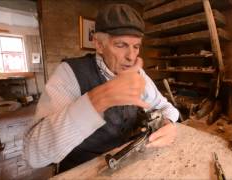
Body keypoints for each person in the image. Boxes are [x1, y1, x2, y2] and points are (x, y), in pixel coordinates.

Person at [23, 3, 179, 172]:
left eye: (136, 46)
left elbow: (167, 108)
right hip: (82, 171)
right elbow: (33, 155)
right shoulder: (69, 73)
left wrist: (169, 123)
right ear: (98, 44)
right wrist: (99, 99)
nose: (131, 57)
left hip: (126, 164)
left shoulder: (137, 73)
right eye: (121, 45)